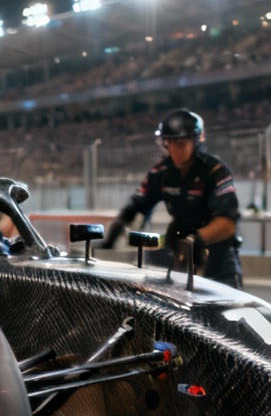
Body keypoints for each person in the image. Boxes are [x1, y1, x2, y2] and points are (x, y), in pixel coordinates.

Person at [101, 108, 243, 288]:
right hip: (182, 253)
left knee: (226, 310)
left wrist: (197, 240)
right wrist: (116, 231)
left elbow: (227, 224)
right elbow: (138, 205)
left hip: (217, 254)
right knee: (174, 308)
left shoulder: (215, 171)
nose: (176, 150)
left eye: (182, 144)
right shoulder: (161, 172)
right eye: (171, 143)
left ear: (197, 141)